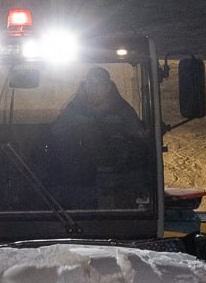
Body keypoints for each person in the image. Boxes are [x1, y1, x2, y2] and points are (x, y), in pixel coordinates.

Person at [50, 66, 151, 208]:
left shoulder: (124, 113)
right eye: (90, 84)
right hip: (79, 183)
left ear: (108, 87)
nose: (94, 89)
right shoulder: (72, 112)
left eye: (99, 84)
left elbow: (141, 143)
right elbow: (56, 137)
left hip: (119, 182)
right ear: (85, 86)